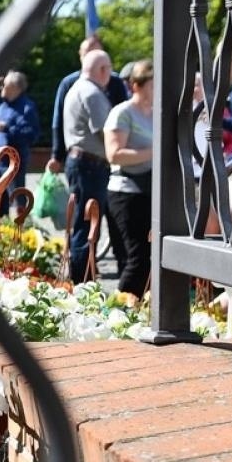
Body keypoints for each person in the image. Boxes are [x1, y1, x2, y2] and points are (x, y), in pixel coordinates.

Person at [62, 49, 115, 283]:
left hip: (82, 163)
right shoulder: (92, 93)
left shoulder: (77, 88)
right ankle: (82, 282)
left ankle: (80, 278)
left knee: (83, 223)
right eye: (109, 69)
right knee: (88, 224)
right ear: (102, 70)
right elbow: (107, 133)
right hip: (90, 165)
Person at [103, 58, 155, 296]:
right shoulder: (122, 113)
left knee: (150, 257)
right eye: (153, 84)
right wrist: (155, 151)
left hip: (150, 191)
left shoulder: (156, 113)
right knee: (137, 259)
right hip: (126, 193)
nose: (158, 89)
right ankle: (116, 310)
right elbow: (114, 154)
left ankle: (142, 310)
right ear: (136, 85)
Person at [48, 33, 128, 175]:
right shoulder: (72, 84)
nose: (91, 57)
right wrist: (56, 155)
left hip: (106, 157)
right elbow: (59, 120)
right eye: (87, 53)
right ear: (80, 56)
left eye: (96, 53)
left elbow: (124, 114)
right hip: (89, 159)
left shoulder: (115, 82)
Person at [0, 70, 39, 204]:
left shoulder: (27, 108)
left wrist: (8, 128)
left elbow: (31, 135)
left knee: (18, 203)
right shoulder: (1, 105)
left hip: (13, 165)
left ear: (15, 88)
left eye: (5, 85)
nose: (1, 87)